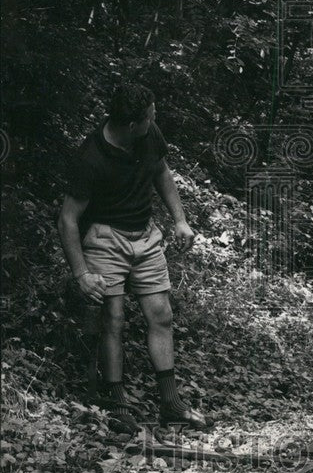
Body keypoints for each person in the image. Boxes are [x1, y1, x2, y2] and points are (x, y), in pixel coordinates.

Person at [58, 83, 207, 431]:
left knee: (161, 314)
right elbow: (67, 219)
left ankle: (170, 403)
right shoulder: (90, 158)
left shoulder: (148, 134)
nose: (155, 120)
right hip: (105, 238)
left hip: (145, 235)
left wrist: (180, 220)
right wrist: (81, 274)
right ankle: (117, 405)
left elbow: (161, 172)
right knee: (113, 319)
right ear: (131, 124)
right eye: (150, 117)